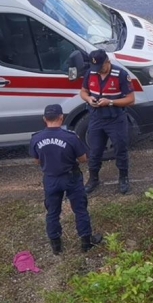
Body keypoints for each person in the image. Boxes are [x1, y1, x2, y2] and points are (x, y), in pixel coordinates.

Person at [30, 104, 104, 255]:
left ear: (44, 119)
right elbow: (83, 159)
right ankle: (86, 242)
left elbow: (37, 161)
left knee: (52, 212)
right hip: (71, 177)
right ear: (61, 117)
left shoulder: (36, 138)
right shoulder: (70, 137)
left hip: (50, 179)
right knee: (80, 210)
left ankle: (56, 246)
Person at [79, 49, 135, 195]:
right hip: (97, 118)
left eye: (101, 67)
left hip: (116, 119)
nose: (98, 71)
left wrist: (110, 102)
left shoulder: (121, 75)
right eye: (95, 68)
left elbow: (131, 99)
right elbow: (83, 92)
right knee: (95, 151)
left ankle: (123, 178)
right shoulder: (91, 73)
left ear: (108, 62)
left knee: (120, 149)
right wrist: (89, 99)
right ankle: (93, 179)